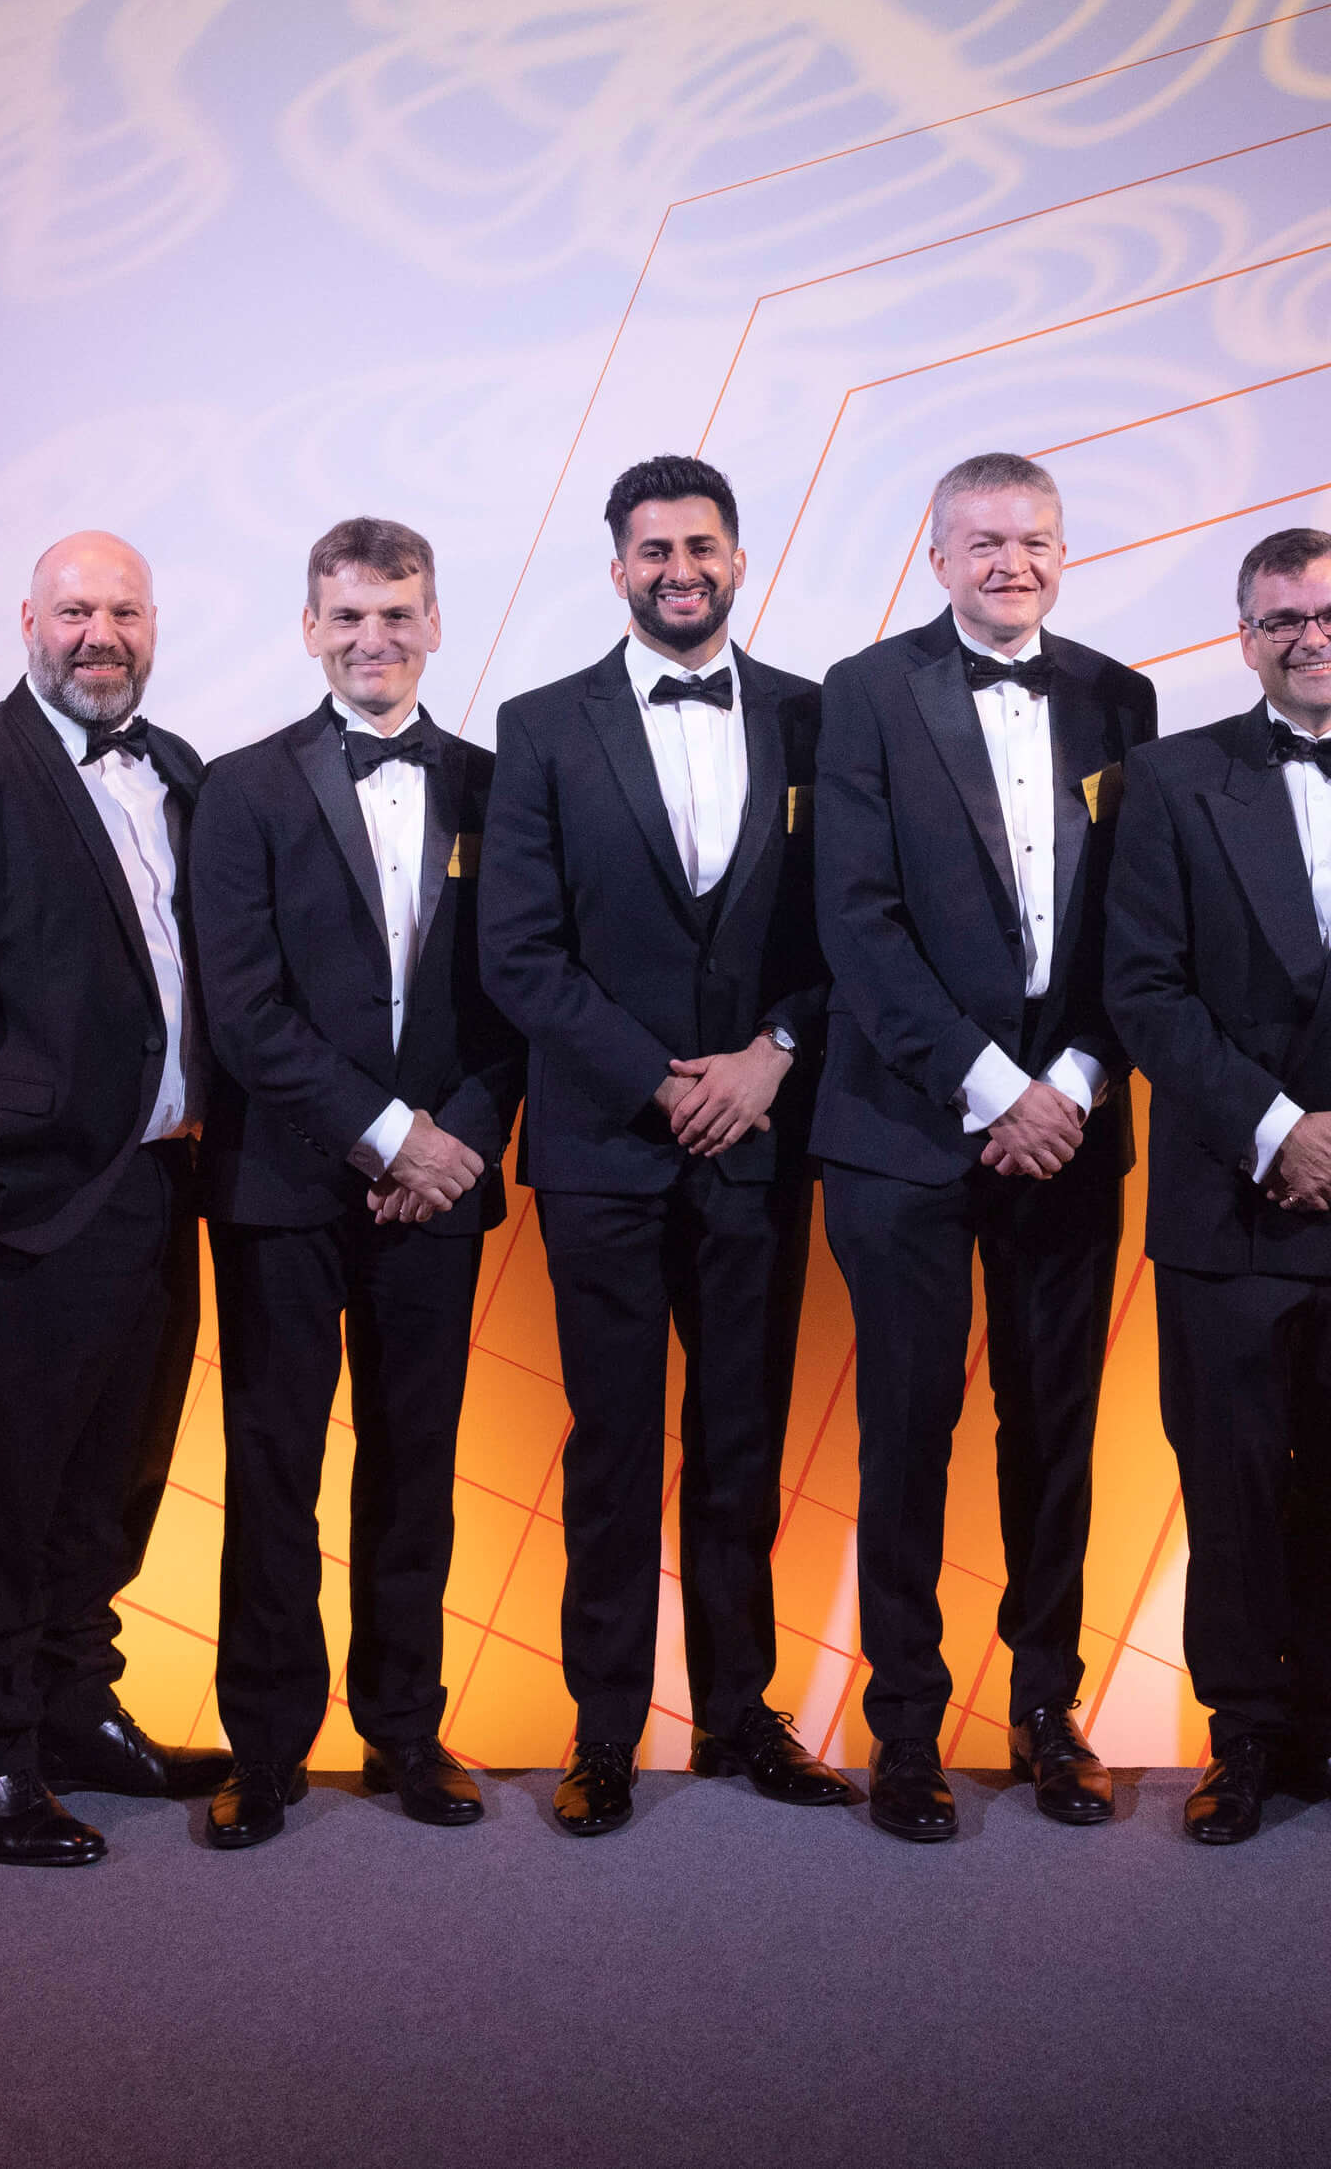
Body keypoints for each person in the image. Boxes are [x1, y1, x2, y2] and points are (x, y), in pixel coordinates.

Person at [479, 456, 856, 1834]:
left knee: (744, 1445)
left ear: (740, 555)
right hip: (604, 1146)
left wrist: (770, 1059)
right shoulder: (539, 726)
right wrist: (656, 1079)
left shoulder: (822, 720)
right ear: (616, 564)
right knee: (613, 1447)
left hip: (761, 1139)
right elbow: (517, 951)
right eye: (652, 548)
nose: (677, 566)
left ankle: (742, 1716)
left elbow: (855, 931)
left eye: (699, 542)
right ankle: (601, 1731)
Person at [0, 531, 231, 1865]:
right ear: (28, 618)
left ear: (152, 620)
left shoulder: (180, 770)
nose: (99, 632)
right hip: (22, 1203)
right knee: (6, 1489)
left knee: (115, 1478)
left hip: (154, 1189)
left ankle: (75, 1707)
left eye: (123, 607)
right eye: (74, 608)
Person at [1103, 527, 1331, 1845]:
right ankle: (1240, 1739)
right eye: (1282, 619)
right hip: (1228, 1199)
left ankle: (1327, 1724)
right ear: (1241, 635)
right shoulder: (1166, 778)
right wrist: (1275, 1126)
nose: (1311, 636)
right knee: (1232, 1478)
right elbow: (1141, 988)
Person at [812, 453, 1163, 1840]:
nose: (1009, 560)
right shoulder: (862, 690)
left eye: (1032, 539)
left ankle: (1044, 1711)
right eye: (983, 540)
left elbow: (1137, 915)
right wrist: (985, 1083)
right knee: (907, 1427)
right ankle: (903, 1727)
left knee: (1054, 1434)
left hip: (1069, 1120)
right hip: (904, 1124)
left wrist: (1068, 1077)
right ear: (936, 552)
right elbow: (855, 917)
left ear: (1061, 552)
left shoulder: (1119, 695)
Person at [184, 518, 527, 1845]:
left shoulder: (502, 786)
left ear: (434, 621)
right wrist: (387, 1133)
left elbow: (518, 997)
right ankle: (264, 1748)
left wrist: (456, 1139)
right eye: (346, 616)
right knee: (272, 1465)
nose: (371, 638)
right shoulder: (241, 785)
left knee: (416, 1464)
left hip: (439, 1186)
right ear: (309, 628)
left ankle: (403, 1732)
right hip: (283, 1180)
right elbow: (243, 1006)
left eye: (395, 614)